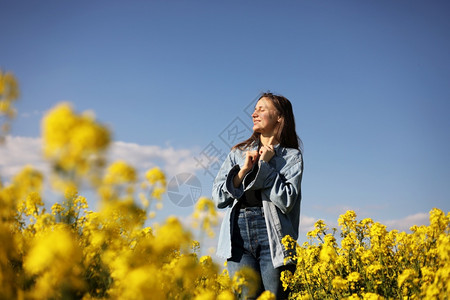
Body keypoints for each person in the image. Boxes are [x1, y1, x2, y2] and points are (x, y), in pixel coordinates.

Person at [212, 92, 304, 299]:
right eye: (254, 110)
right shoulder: (238, 153)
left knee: (275, 296)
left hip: (274, 233)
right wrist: (243, 171)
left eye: (262, 109)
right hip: (237, 232)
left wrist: (265, 166)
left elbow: (287, 201)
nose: (254, 113)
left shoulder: (291, 156)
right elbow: (218, 198)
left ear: (280, 117)